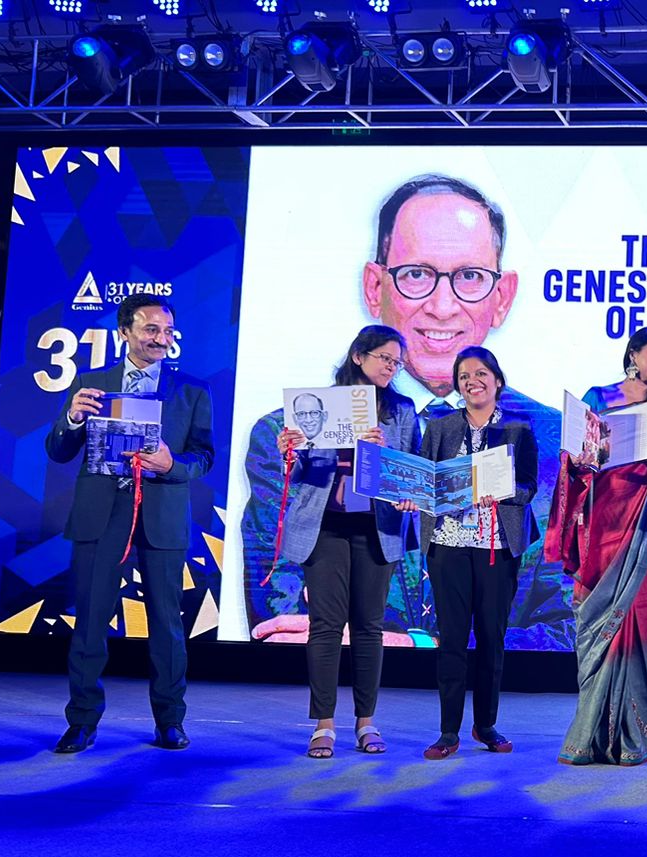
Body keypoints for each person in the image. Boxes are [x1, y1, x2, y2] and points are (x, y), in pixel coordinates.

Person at [243, 173, 568, 652]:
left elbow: (570, 629)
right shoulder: (292, 430)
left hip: (483, 684)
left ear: (502, 297)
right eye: (417, 274)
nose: (442, 306)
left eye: (470, 277)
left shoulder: (553, 441)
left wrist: (420, 645)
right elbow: (281, 617)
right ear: (375, 286)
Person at [46, 294, 214, 754]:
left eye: (167, 331)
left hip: (161, 514)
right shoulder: (92, 383)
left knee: (167, 624)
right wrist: (72, 417)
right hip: (102, 514)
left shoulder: (192, 391)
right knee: (90, 622)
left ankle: (170, 720)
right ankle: (81, 721)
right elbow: (58, 451)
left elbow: (204, 457)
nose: (161, 339)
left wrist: (172, 464)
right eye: (151, 329)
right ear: (125, 332)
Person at [547, 326, 647, 766]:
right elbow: (573, 461)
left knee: (638, 619)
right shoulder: (598, 398)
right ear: (633, 354)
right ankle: (589, 736)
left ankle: (635, 738)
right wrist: (585, 456)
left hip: (645, 532)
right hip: (601, 526)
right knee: (595, 625)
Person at [277, 325, 421, 758]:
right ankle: (323, 724)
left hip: (377, 527)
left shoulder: (401, 410)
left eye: (397, 363)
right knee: (325, 626)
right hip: (324, 526)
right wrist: (290, 451)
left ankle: (366, 722)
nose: (391, 368)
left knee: (368, 627)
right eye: (384, 358)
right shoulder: (318, 404)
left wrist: (384, 456)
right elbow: (299, 474)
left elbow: (412, 469)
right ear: (359, 356)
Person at [416, 347, 539, 760]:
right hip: (448, 545)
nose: (473, 381)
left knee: (491, 639)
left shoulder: (518, 430)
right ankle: (447, 732)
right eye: (464, 376)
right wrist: (411, 496)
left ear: (497, 381)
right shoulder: (440, 428)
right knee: (451, 640)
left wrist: (502, 492)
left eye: (481, 373)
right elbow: (423, 481)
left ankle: (485, 724)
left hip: (496, 547)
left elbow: (528, 488)